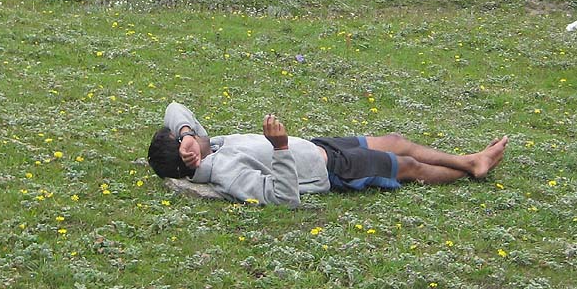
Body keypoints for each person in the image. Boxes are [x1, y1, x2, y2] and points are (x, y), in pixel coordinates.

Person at [147, 101, 508, 207]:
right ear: (190, 160)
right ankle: (472, 166)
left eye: (190, 135)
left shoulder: (206, 143)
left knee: (396, 139)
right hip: (329, 169)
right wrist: (281, 148)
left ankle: (470, 161)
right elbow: (282, 197)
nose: (196, 133)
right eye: (188, 144)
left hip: (316, 146)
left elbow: (175, 108)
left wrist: (185, 133)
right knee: (410, 167)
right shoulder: (224, 171)